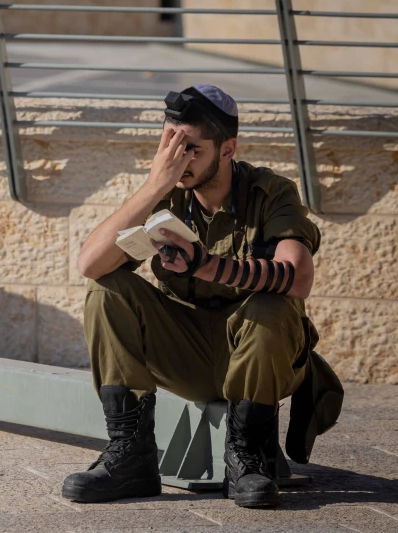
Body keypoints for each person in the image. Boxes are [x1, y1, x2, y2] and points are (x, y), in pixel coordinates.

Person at [61, 84, 339, 508]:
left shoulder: (271, 193)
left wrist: (207, 265)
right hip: (186, 351)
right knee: (107, 288)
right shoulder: (167, 194)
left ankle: (247, 456)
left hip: (257, 354)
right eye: (170, 145)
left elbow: (297, 278)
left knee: (271, 302)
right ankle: (131, 457)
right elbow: (90, 264)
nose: (179, 159)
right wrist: (154, 186)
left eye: (191, 148)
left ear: (227, 150)